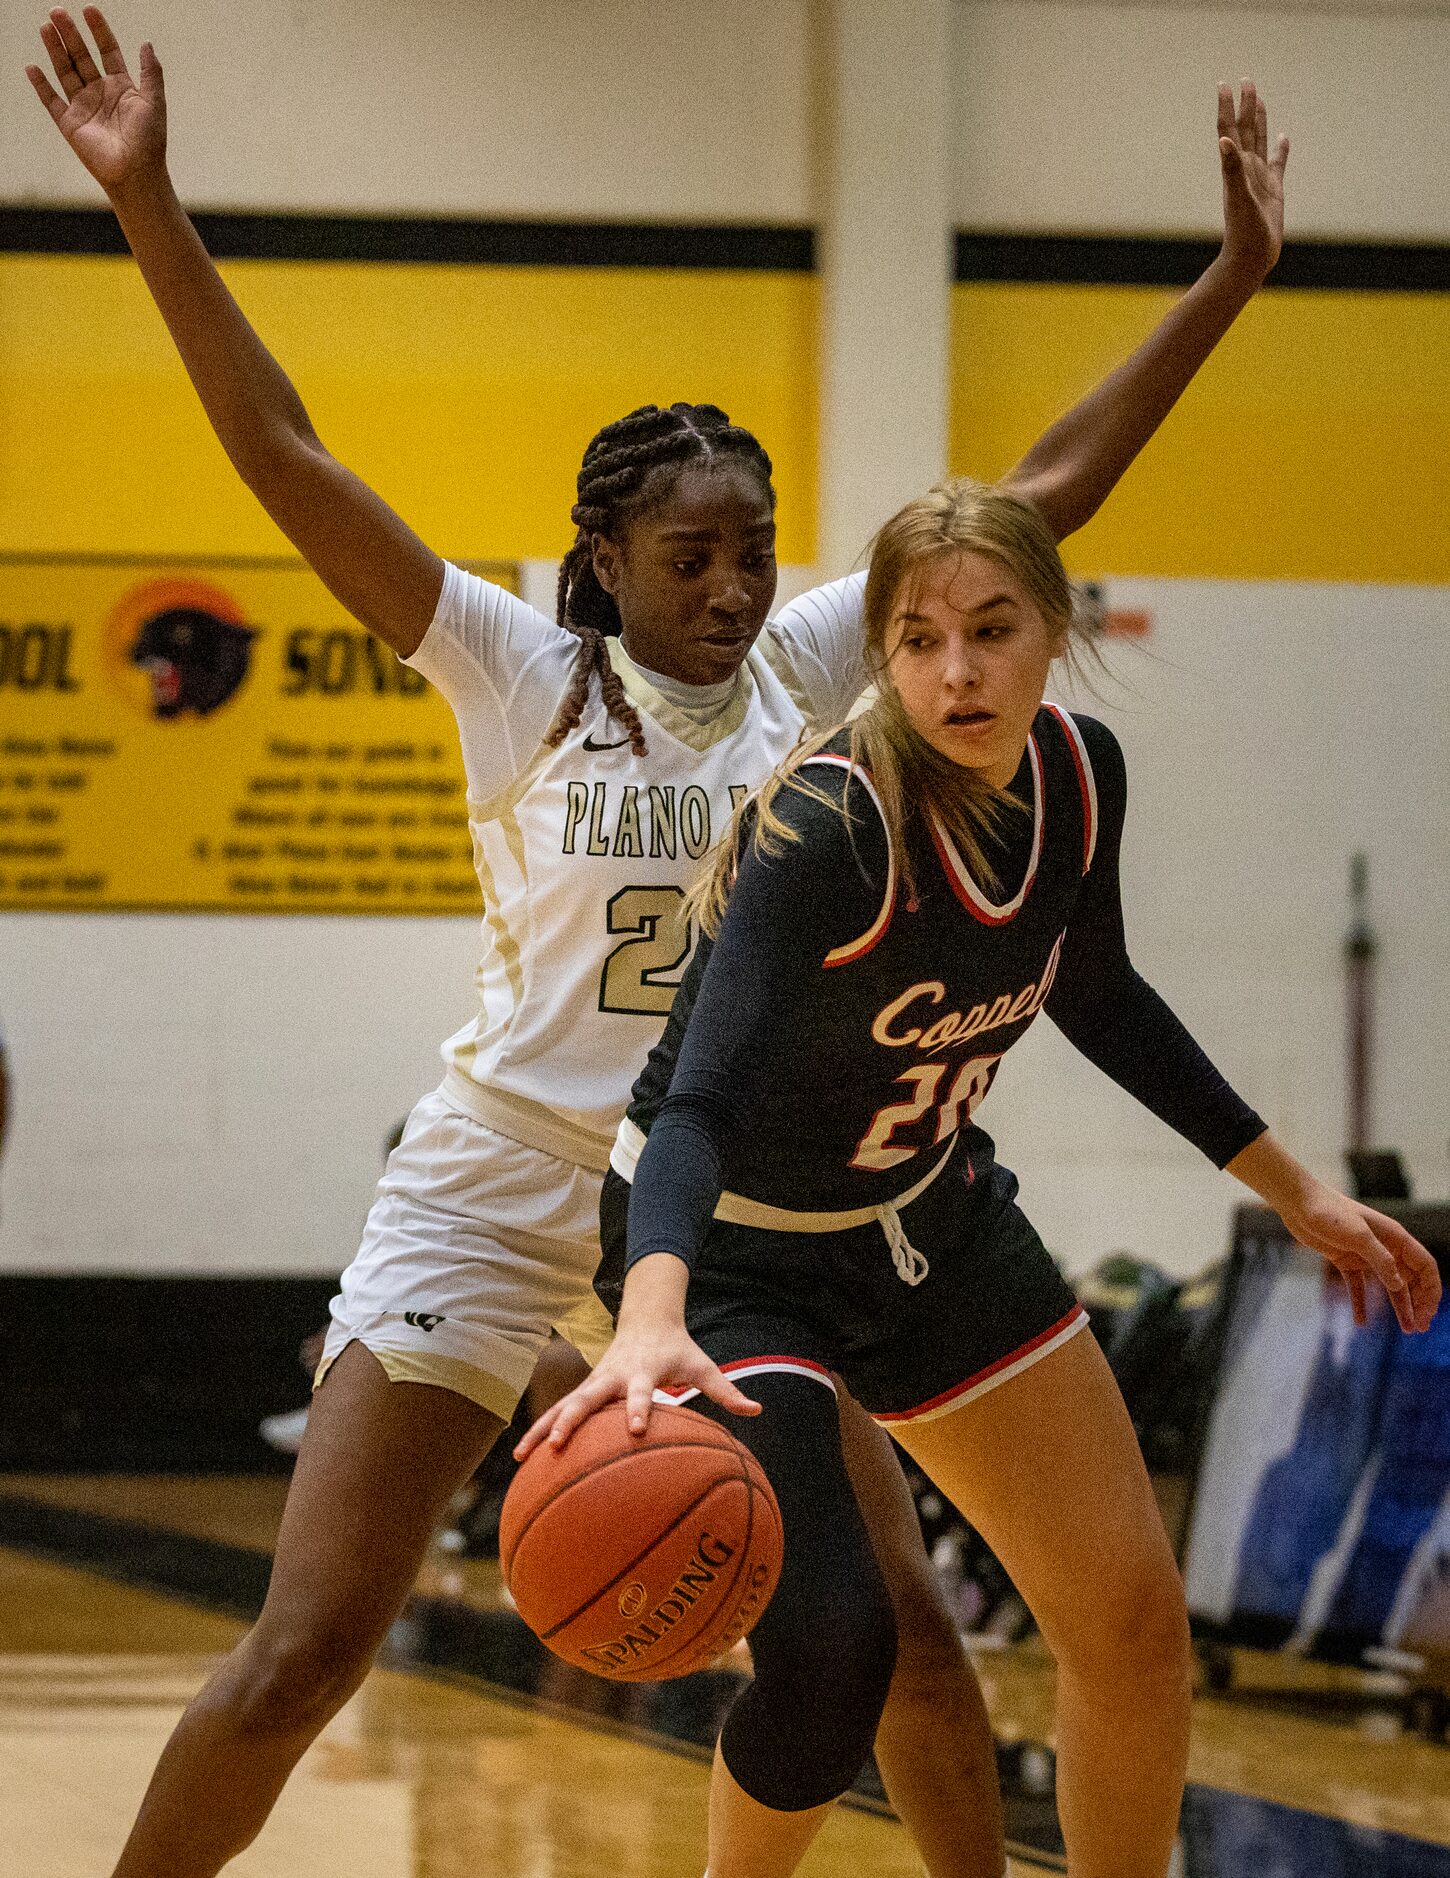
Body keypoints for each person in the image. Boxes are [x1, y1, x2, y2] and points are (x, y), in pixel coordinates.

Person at [27, 11, 1295, 1876]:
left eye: (752, 547)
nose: (728, 584)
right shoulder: (515, 673)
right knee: (304, 1647)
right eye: (687, 554)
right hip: (499, 1192)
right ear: (602, 562)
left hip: (718, 1221)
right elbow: (284, 453)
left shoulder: (811, 662)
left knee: (898, 1653)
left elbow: (1039, 491)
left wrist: (1232, 277)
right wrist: (148, 203)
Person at [524, 479, 1442, 1878]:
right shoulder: (828, 829)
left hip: (928, 1224)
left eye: (990, 630)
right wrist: (650, 1316)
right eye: (915, 638)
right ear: (883, 657)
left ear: (1053, 629)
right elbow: (695, 1103)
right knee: (836, 1648)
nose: (955, 671)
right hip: (730, 1258)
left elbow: (1100, 991)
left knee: (1129, 1618)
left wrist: (1290, 1186)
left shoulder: (1079, 777)